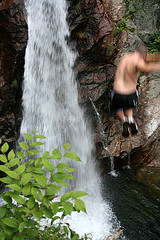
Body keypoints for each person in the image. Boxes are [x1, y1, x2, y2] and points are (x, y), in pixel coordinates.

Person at [111, 44, 160, 137]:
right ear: (144, 56)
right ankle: (130, 119)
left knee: (118, 109)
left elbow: (147, 57)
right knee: (128, 107)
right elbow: (146, 68)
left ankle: (124, 121)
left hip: (118, 92)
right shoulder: (139, 62)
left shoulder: (126, 57)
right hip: (130, 94)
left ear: (135, 51)